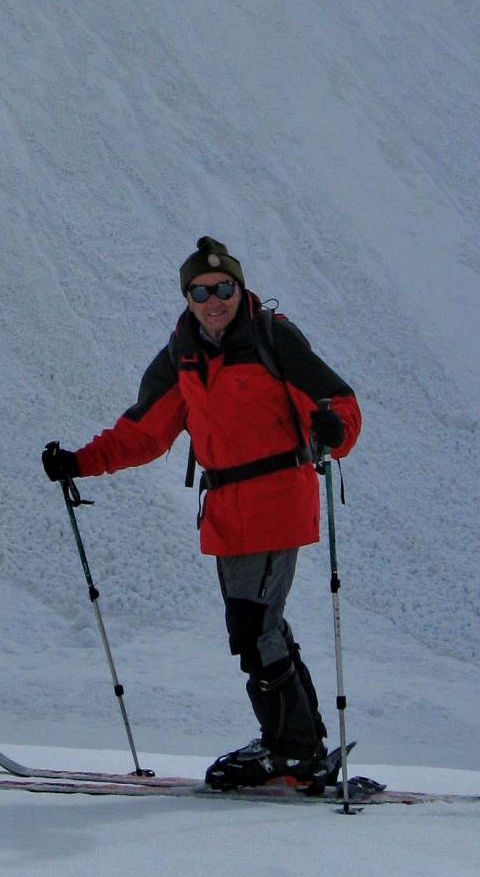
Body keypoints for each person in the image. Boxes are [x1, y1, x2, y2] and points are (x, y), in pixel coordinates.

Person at [42, 235, 362, 793]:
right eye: (200, 291)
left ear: (239, 288)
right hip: (225, 511)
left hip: (277, 500)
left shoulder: (273, 338)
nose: (213, 300)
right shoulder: (183, 354)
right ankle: (296, 744)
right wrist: (80, 462)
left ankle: (291, 750)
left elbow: (338, 402)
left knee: (255, 628)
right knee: (257, 627)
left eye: (223, 288)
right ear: (186, 297)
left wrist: (336, 430)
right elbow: (144, 431)